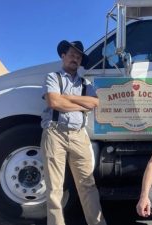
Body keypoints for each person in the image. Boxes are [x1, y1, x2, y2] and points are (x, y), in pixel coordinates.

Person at [40, 40, 107, 225]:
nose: (75, 59)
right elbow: (54, 103)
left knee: (88, 184)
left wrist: (67, 97)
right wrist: (80, 103)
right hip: (55, 134)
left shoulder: (86, 83)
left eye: (78, 56)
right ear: (63, 55)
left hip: (79, 135)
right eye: (72, 54)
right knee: (55, 188)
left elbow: (95, 103)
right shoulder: (53, 77)